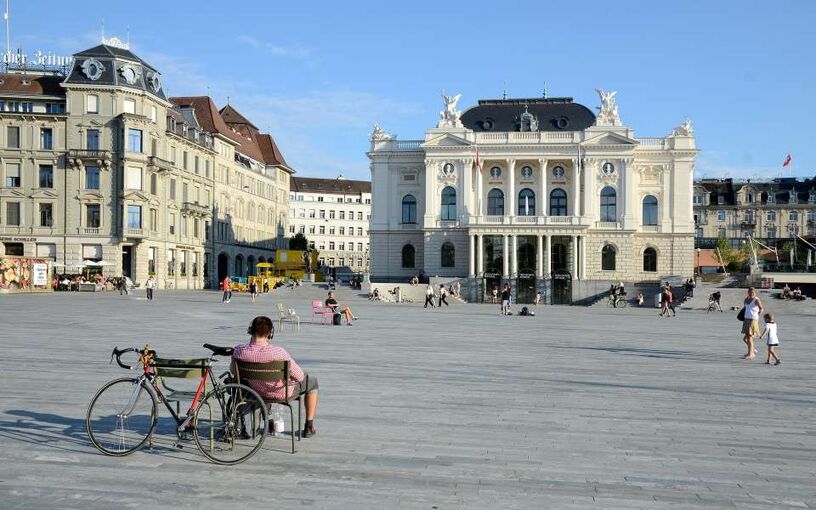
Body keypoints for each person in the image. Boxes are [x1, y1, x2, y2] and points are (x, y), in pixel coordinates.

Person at [232, 316, 319, 437]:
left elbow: (234, 371)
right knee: (312, 382)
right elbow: (299, 377)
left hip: (255, 391)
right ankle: (309, 427)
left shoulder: (239, 351)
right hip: (281, 392)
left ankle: (268, 420)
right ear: (270, 334)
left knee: (262, 382)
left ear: (250, 330)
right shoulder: (278, 352)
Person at [741, 287, 764, 359]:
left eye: (753, 292)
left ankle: (751, 354)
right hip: (746, 319)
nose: (751, 293)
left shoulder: (756, 300)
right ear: (748, 292)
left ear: (754, 292)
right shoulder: (746, 299)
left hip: (753, 320)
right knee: (746, 338)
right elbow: (746, 308)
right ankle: (751, 352)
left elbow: (761, 309)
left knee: (749, 337)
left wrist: (758, 314)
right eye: (750, 292)